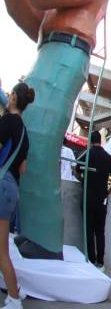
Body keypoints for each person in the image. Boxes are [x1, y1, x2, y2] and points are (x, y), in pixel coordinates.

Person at [0, 0, 111, 259]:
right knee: (33, 139)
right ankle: (39, 235)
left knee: (37, 139)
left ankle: (45, 239)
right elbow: (37, 19)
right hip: (52, 50)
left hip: (65, 54)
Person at [0, 82, 34, 308]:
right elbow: (23, 169)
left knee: (1, 250)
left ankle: (13, 297)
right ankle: (16, 291)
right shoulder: (24, 131)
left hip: (2, 185)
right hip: (12, 188)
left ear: (13, 99)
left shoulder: (6, 121)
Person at [75, 131, 111, 272]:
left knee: (88, 231)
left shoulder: (85, 154)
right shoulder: (108, 157)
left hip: (87, 197)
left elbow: (76, 171)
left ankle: (91, 260)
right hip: (101, 199)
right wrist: (107, 191)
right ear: (100, 141)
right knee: (100, 232)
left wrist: (83, 181)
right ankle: (100, 262)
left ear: (90, 140)